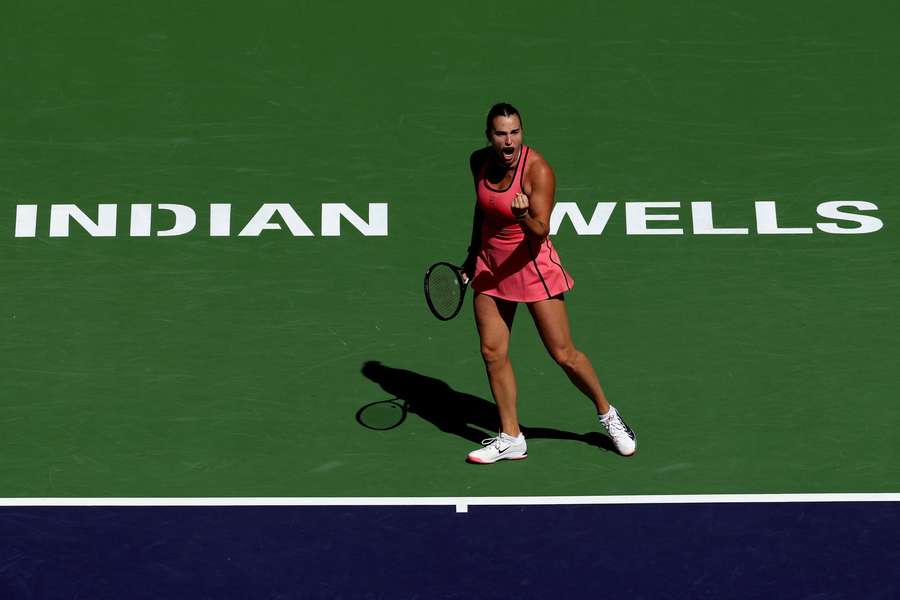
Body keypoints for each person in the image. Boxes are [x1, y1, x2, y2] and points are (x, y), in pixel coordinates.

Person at [461, 102, 636, 463]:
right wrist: (471, 255)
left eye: (515, 132)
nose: (509, 141)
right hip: (491, 267)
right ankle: (511, 436)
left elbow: (541, 231)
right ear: (489, 136)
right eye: (500, 133)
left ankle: (608, 415)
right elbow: (481, 211)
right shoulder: (478, 161)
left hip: (531, 267)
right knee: (492, 353)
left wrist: (523, 214)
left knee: (564, 355)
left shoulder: (537, 171)